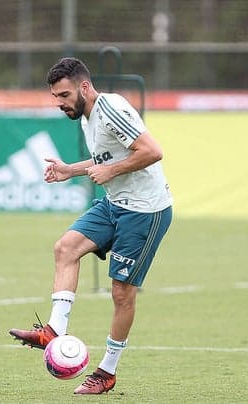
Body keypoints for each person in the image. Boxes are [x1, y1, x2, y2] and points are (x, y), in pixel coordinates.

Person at [9, 57, 172, 395]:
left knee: (121, 293)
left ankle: (106, 372)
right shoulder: (87, 116)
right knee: (65, 248)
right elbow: (106, 159)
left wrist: (110, 173)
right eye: (55, 97)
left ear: (84, 87)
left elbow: (153, 151)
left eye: (64, 95)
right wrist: (71, 170)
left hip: (144, 211)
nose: (59, 103)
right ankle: (54, 330)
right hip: (114, 204)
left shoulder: (110, 108)